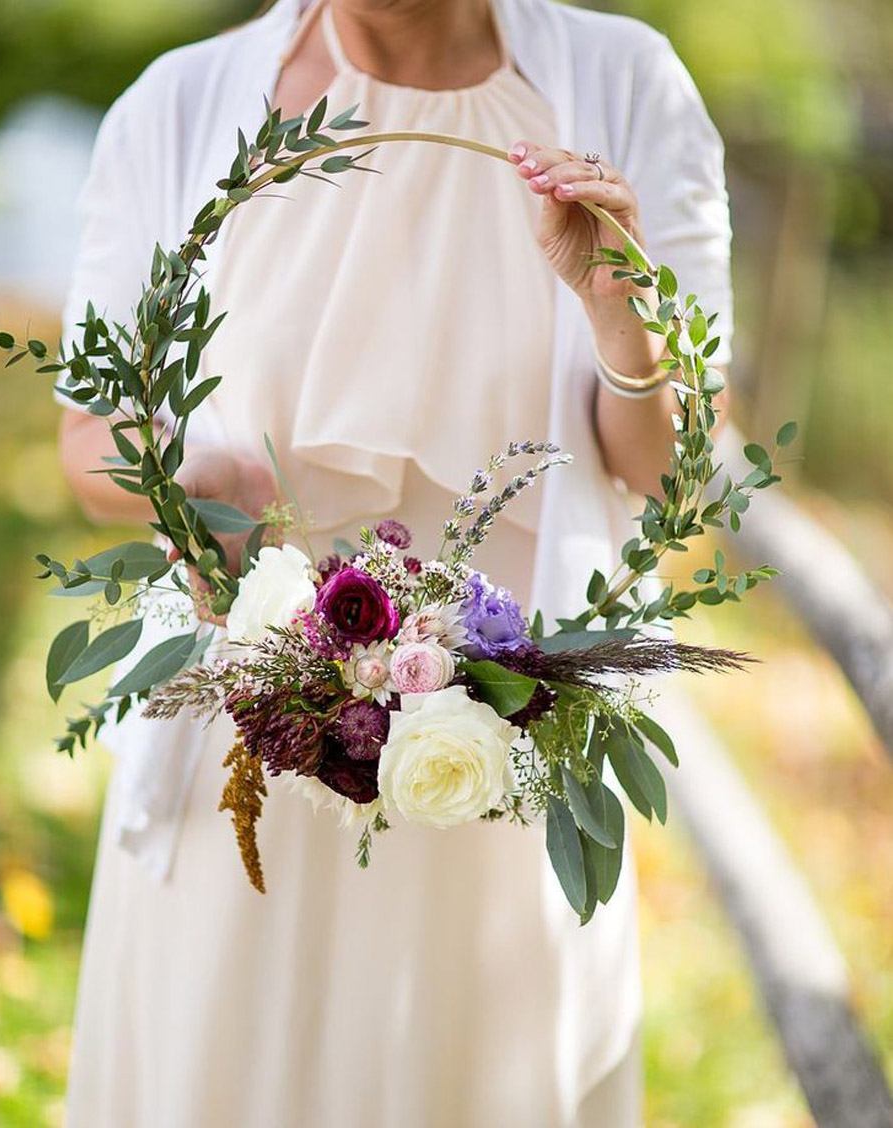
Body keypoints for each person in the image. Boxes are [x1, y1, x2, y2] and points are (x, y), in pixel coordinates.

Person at [58, 0, 733, 1124]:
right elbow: (91, 434)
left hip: (505, 752)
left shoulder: (628, 87)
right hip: (244, 738)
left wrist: (621, 316)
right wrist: (197, 502)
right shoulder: (179, 107)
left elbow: (676, 475)